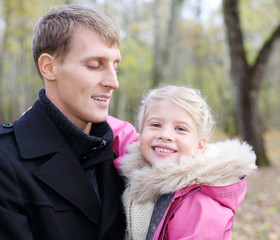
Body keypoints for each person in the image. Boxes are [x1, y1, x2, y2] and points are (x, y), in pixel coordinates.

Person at [0, 5, 138, 240]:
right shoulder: (6, 159)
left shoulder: (122, 155)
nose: (113, 82)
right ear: (49, 67)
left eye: (115, 66)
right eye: (95, 65)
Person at [111, 85, 257, 239]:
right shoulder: (139, 158)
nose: (165, 135)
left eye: (180, 129)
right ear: (141, 133)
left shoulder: (200, 204)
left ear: (199, 145)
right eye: (155, 125)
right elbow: (119, 131)